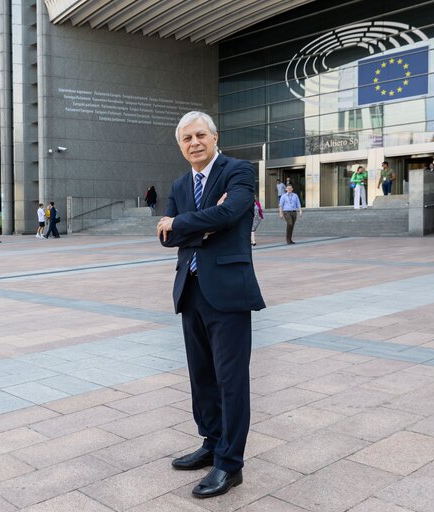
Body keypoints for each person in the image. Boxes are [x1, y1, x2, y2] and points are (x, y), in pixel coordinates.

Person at [157, 111, 265, 499]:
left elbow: (231, 212)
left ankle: (230, 464)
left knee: (230, 380)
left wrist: (185, 223)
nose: (194, 143)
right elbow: (167, 239)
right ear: (180, 145)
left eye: (200, 135)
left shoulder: (239, 170)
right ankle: (211, 442)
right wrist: (202, 223)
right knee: (201, 376)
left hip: (228, 292)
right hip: (191, 290)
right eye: (186, 139)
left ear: (215, 137)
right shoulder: (179, 183)